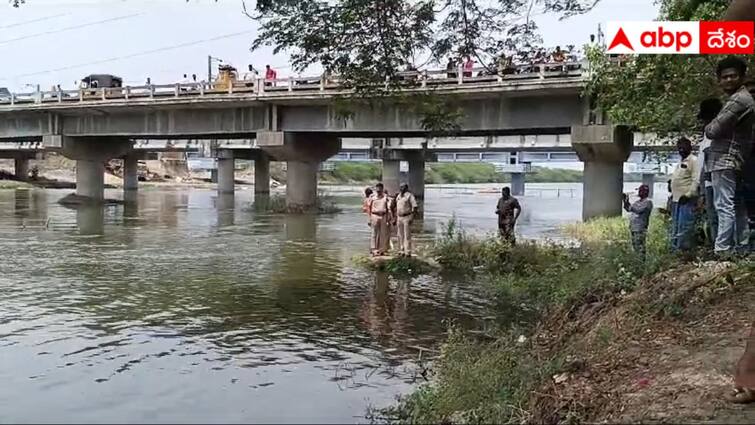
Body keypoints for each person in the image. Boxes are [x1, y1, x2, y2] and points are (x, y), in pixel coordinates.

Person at [704, 56, 754, 257]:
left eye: (733, 76)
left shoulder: (738, 100)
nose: (728, 80)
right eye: (724, 77)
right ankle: (741, 247)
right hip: (736, 159)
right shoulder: (744, 99)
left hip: (724, 159)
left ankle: (723, 249)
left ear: (741, 77)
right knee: (737, 205)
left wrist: (709, 123)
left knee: (723, 205)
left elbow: (712, 131)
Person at [698, 98, 723, 246]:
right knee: (712, 216)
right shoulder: (706, 137)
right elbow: (702, 166)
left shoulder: (722, 134)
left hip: (719, 179)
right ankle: (716, 245)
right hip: (708, 183)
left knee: (722, 213)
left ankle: (724, 246)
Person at [669, 137, 700, 251]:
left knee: (685, 226)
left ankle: (684, 251)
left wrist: (689, 194)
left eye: (684, 147)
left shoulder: (693, 161)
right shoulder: (681, 161)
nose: (681, 149)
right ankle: (674, 249)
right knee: (676, 225)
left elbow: (696, 179)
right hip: (676, 199)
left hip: (686, 199)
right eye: (679, 147)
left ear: (690, 147)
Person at [623, 184, 653, 258]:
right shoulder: (637, 202)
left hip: (640, 228)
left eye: (641, 191)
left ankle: (641, 262)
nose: (639, 192)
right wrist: (625, 201)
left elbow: (638, 210)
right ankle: (637, 261)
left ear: (645, 192)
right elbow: (628, 209)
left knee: (640, 246)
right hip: (633, 227)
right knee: (635, 246)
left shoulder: (648, 202)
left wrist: (630, 205)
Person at [368, 183, 391, 256]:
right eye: (377, 189)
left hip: (383, 215)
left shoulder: (386, 197)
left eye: (380, 189)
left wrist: (388, 218)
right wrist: (369, 218)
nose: (378, 190)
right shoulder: (372, 197)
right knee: (374, 233)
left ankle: (381, 249)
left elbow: (388, 208)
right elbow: (369, 207)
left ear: (382, 189)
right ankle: (374, 249)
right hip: (374, 215)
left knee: (383, 233)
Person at [395, 183, 418, 256]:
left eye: (403, 187)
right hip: (399, 217)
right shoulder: (398, 196)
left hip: (407, 217)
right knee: (400, 234)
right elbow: (395, 206)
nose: (401, 188)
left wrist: (412, 217)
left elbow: (415, 207)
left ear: (406, 188)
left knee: (407, 235)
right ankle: (401, 250)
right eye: (401, 187)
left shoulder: (410, 196)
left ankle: (407, 251)